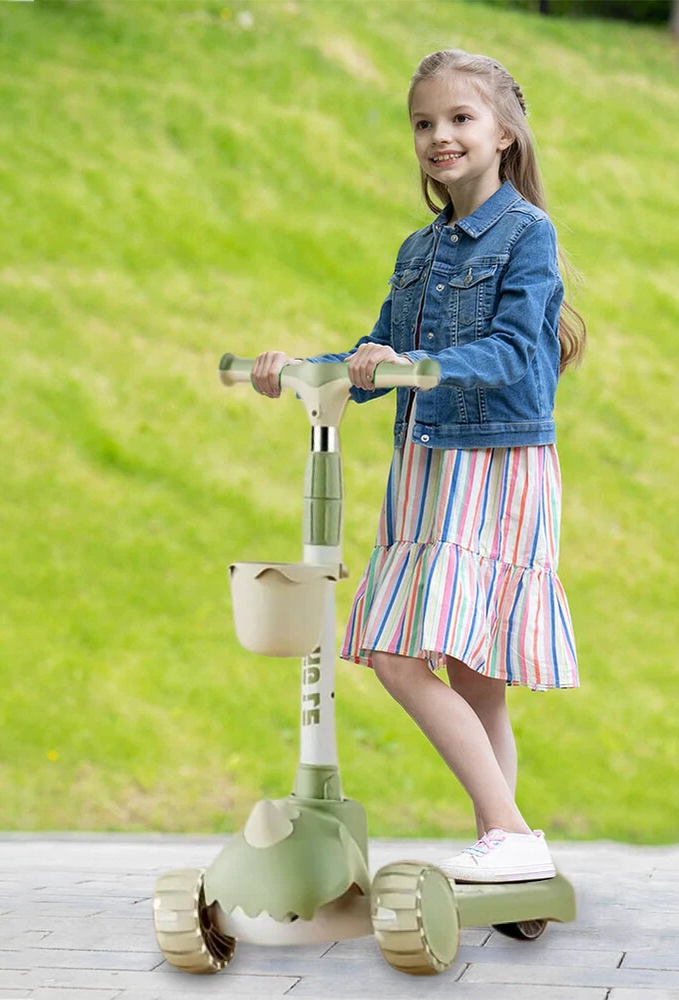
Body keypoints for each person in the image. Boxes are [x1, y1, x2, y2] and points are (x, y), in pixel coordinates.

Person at [251, 49, 587, 884]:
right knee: (471, 676)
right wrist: (303, 370)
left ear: (505, 135)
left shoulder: (527, 234)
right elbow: (377, 357)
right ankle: (510, 852)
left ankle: (508, 832)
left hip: (493, 465)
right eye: (424, 122)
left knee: (401, 655)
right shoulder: (418, 251)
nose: (440, 135)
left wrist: (420, 366)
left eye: (460, 118)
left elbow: (514, 352)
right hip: (428, 469)